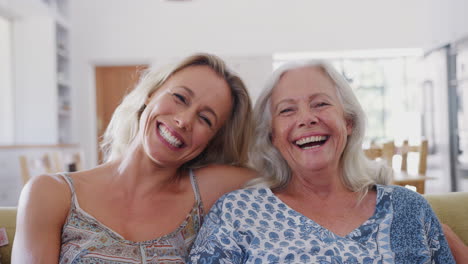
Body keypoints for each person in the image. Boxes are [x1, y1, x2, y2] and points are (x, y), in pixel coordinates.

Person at [188, 60, 456, 263]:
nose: (306, 118)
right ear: (272, 136)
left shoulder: (410, 208)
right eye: (287, 110)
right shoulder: (236, 213)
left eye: (320, 104)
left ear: (348, 122)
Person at [12, 53, 257, 263]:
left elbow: (286, 175)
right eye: (180, 98)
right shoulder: (51, 193)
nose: (184, 120)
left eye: (205, 119)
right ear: (151, 93)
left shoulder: (207, 191)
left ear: (211, 141)